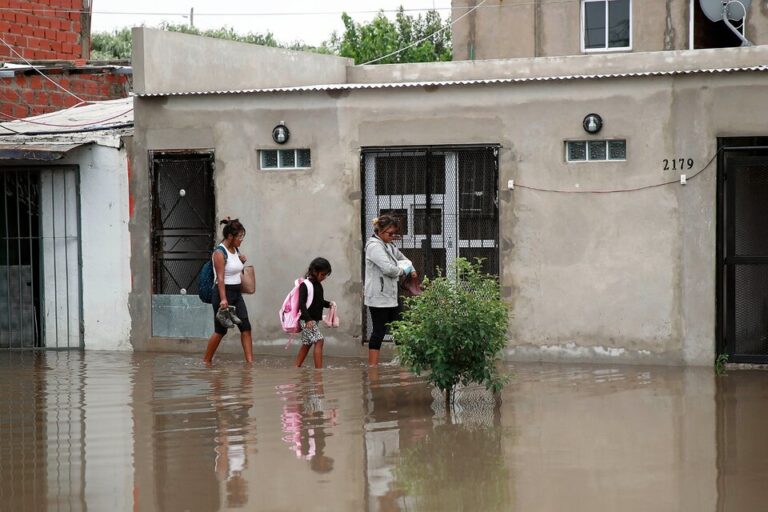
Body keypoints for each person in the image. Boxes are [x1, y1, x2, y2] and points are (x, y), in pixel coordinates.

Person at [364, 215, 417, 366]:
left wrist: (411, 269)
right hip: (379, 297)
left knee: (401, 329)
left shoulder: (389, 245)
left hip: (392, 295)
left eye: (395, 233)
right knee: (379, 331)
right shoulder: (374, 246)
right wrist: (404, 270)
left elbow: (402, 258)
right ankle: (373, 367)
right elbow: (389, 269)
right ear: (380, 231)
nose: (393, 236)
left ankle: (404, 364)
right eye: (390, 233)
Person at [203, 218, 253, 364]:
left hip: (237, 294)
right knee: (220, 331)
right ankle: (206, 361)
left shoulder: (235, 249)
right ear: (230, 237)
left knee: (246, 327)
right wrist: (224, 300)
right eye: (239, 237)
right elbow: (220, 278)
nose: (241, 240)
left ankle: (250, 364)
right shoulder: (219, 252)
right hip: (222, 294)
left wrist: (241, 262)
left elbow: (233, 269)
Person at [294, 257, 334, 369]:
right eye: (322, 274)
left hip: (312, 320)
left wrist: (329, 304)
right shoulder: (305, 285)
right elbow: (301, 304)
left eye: (326, 275)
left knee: (307, 344)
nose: (324, 277)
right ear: (314, 272)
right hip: (307, 320)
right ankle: (319, 371)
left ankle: (296, 367)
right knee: (319, 340)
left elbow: (318, 301)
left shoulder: (318, 285)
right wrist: (307, 319)